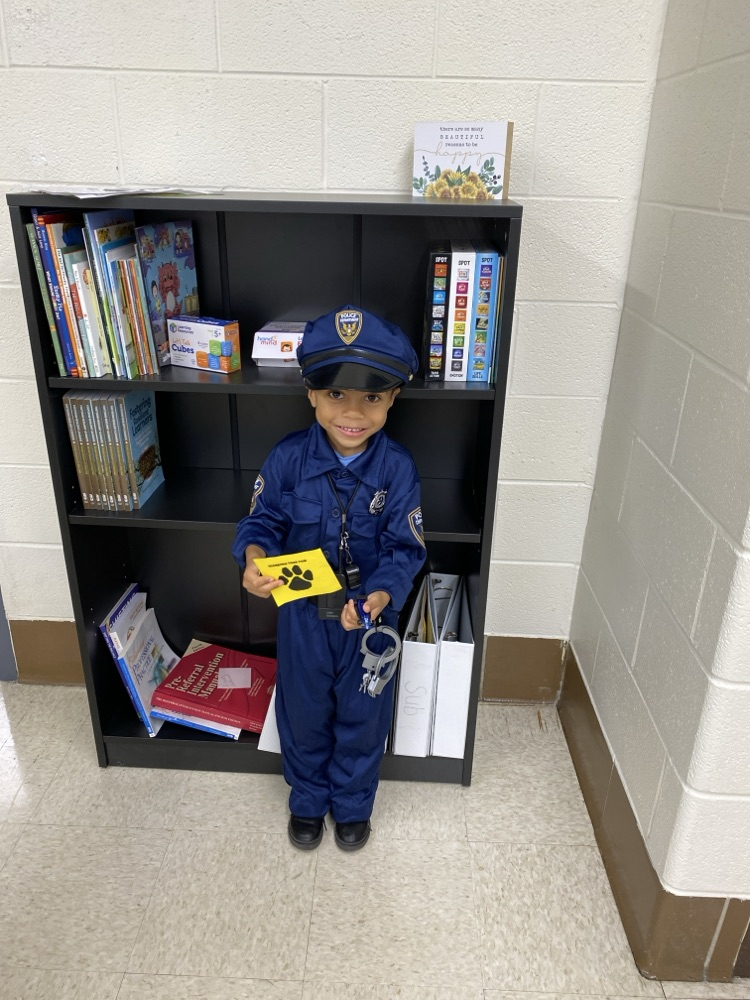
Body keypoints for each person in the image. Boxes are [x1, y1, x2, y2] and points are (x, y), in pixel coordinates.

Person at [233, 305, 426, 852]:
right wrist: (253, 559)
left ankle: (353, 804)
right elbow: (261, 521)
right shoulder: (288, 459)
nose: (353, 413)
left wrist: (379, 595)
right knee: (305, 709)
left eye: (372, 397)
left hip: (367, 620)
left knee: (364, 714)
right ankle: (308, 801)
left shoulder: (398, 469)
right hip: (302, 617)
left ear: (393, 399)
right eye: (336, 394)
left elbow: (403, 548)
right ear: (312, 394)